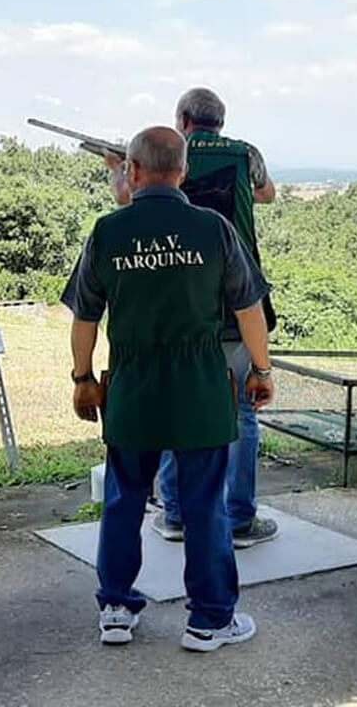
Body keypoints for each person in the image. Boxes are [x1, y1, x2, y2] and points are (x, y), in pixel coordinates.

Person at [63, 125, 276, 651]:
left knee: (124, 499)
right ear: (182, 171)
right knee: (205, 505)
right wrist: (261, 370)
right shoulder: (214, 228)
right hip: (199, 384)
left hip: (133, 384)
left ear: (132, 170)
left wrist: (83, 378)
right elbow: (249, 309)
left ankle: (116, 608)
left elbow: (86, 316)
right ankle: (210, 619)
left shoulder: (107, 231)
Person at [106, 87, 279, 549]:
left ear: (182, 120)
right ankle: (239, 517)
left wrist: (117, 169)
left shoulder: (168, 156)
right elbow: (266, 194)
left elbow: (127, 202)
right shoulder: (245, 154)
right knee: (243, 410)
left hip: (183, 304)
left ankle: (176, 514)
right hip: (239, 308)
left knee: (174, 402)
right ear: (221, 120)